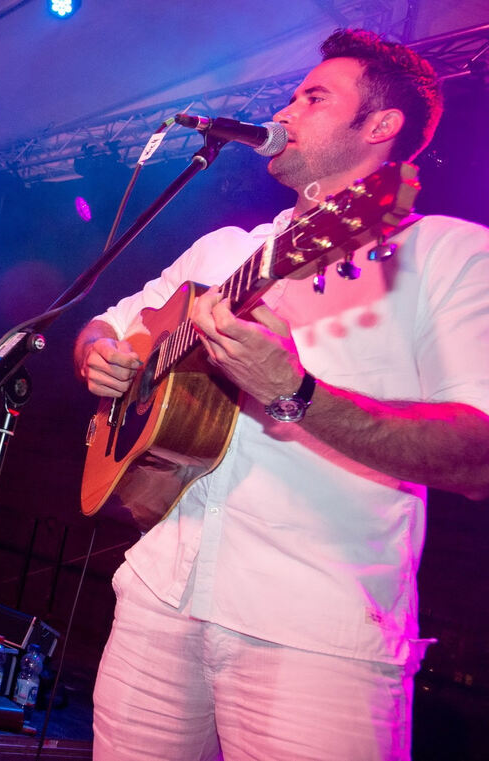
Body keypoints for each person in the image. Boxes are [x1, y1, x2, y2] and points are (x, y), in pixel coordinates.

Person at [74, 29, 489, 760]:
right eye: (293, 93)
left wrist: (297, 392)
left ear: (381, 126)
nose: (287, 109)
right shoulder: (223, 251)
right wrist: (100, 356)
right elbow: (106, 323)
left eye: (314, 96)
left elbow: (478, 455)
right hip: (156, 598)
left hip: (316, 635)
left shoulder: (450, 255)